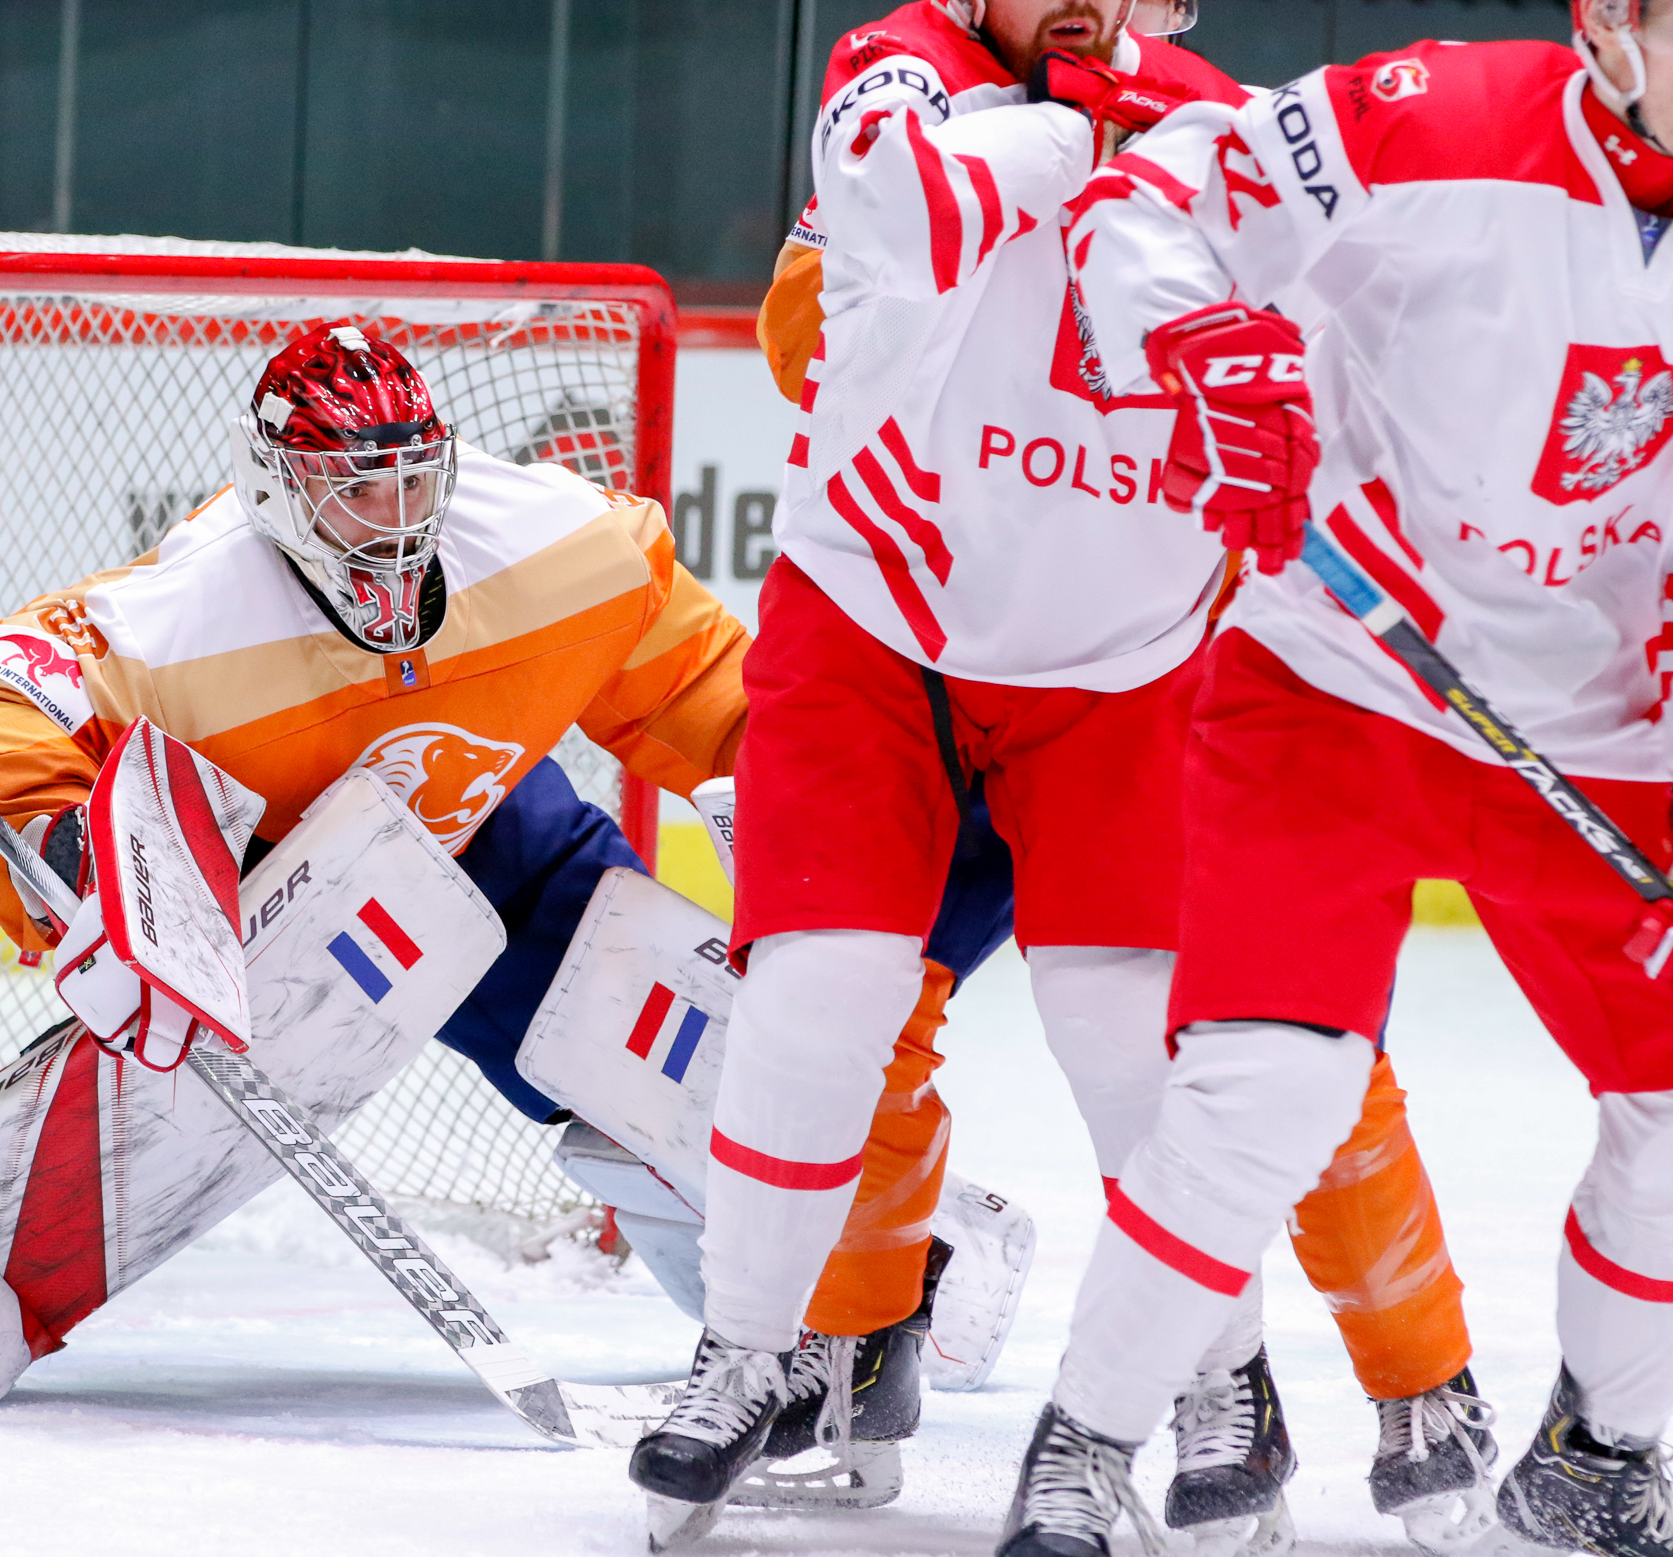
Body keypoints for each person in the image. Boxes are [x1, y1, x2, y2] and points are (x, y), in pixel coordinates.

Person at [0, 324, 1022, 1465]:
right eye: (353, 486)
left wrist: (812, 801)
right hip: (274, 899)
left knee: (655, 1042)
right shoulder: (185, 617)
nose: (393, 517)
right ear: (276, 487)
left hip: (497, 834)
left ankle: (872, 1291)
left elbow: (705, 686)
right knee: (159, 1094)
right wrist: (76, 853)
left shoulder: (562, 545)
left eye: (410, 480)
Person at [631, 2, 1497, 1550]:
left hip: (1118, 664)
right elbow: (892, 218)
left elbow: (1388, 348)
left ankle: (1279, 1379)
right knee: (822, 999)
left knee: (1169, 1047)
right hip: (884, 622)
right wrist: (1092, 129)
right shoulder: (900, 64)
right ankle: (772, 1346)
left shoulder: (1240, 133)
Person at [1014, 3, 1673, 1552]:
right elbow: (1144, 200)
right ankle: (1083, 1445)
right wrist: (1199, 341)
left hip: (1596, 730)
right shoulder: (1423, 116)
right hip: (1338, 683)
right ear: (1606, 23)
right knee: (1265, 1094)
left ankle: (1594, 1465)